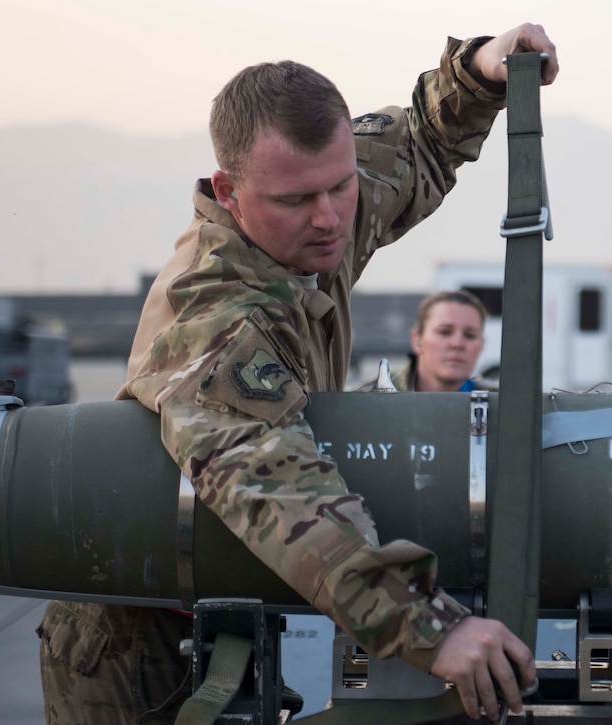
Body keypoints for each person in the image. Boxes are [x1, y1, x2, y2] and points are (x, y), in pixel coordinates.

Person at [36, 23, 559, 725]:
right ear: (229, 191)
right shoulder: (214, 315)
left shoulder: (321, 206)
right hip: (140, 639)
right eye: (295, 200)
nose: (329, 219)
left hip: (229, 607)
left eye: (340, 186)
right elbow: (281, 493)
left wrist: (479, 72)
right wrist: (433, 628)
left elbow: (417, 146)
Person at [360, 289, 496, 392]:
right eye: (444, 332)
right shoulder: (367, 401)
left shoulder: (504, 407)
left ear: (482, 345)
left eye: (470, 335)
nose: (457, 344)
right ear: (417, 339)